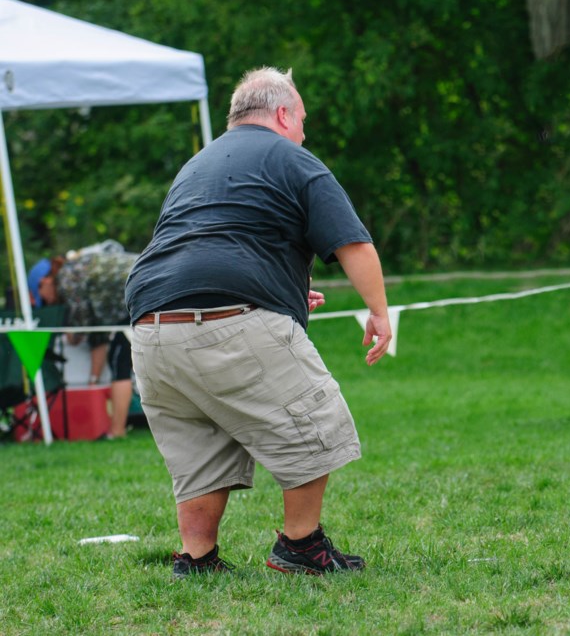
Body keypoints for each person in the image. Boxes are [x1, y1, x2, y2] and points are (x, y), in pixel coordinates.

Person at [124, 66, 392, 580]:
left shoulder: (197, 165)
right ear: (284, 113)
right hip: (230, 317)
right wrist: (378, 312)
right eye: (303, 120)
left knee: (197, 445)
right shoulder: (293, 158)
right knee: (317, 421)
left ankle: (197, 559)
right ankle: (301, 546)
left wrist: (280, 291)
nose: (304, 133)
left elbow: (208, 242)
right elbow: (351, 241)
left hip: (152, 322)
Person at [27, 240, 137, 439]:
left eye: (41, 297)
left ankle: (117, 431)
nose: (45, 302)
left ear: (44, 282)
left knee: (119, 361)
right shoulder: (74, 268)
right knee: (119, 358)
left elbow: (85, 325)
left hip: (141, 291)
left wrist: (74, 333)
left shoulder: (67, 278)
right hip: (139, 290)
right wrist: (92, 381)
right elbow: (98, 332)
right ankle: (117, 429)